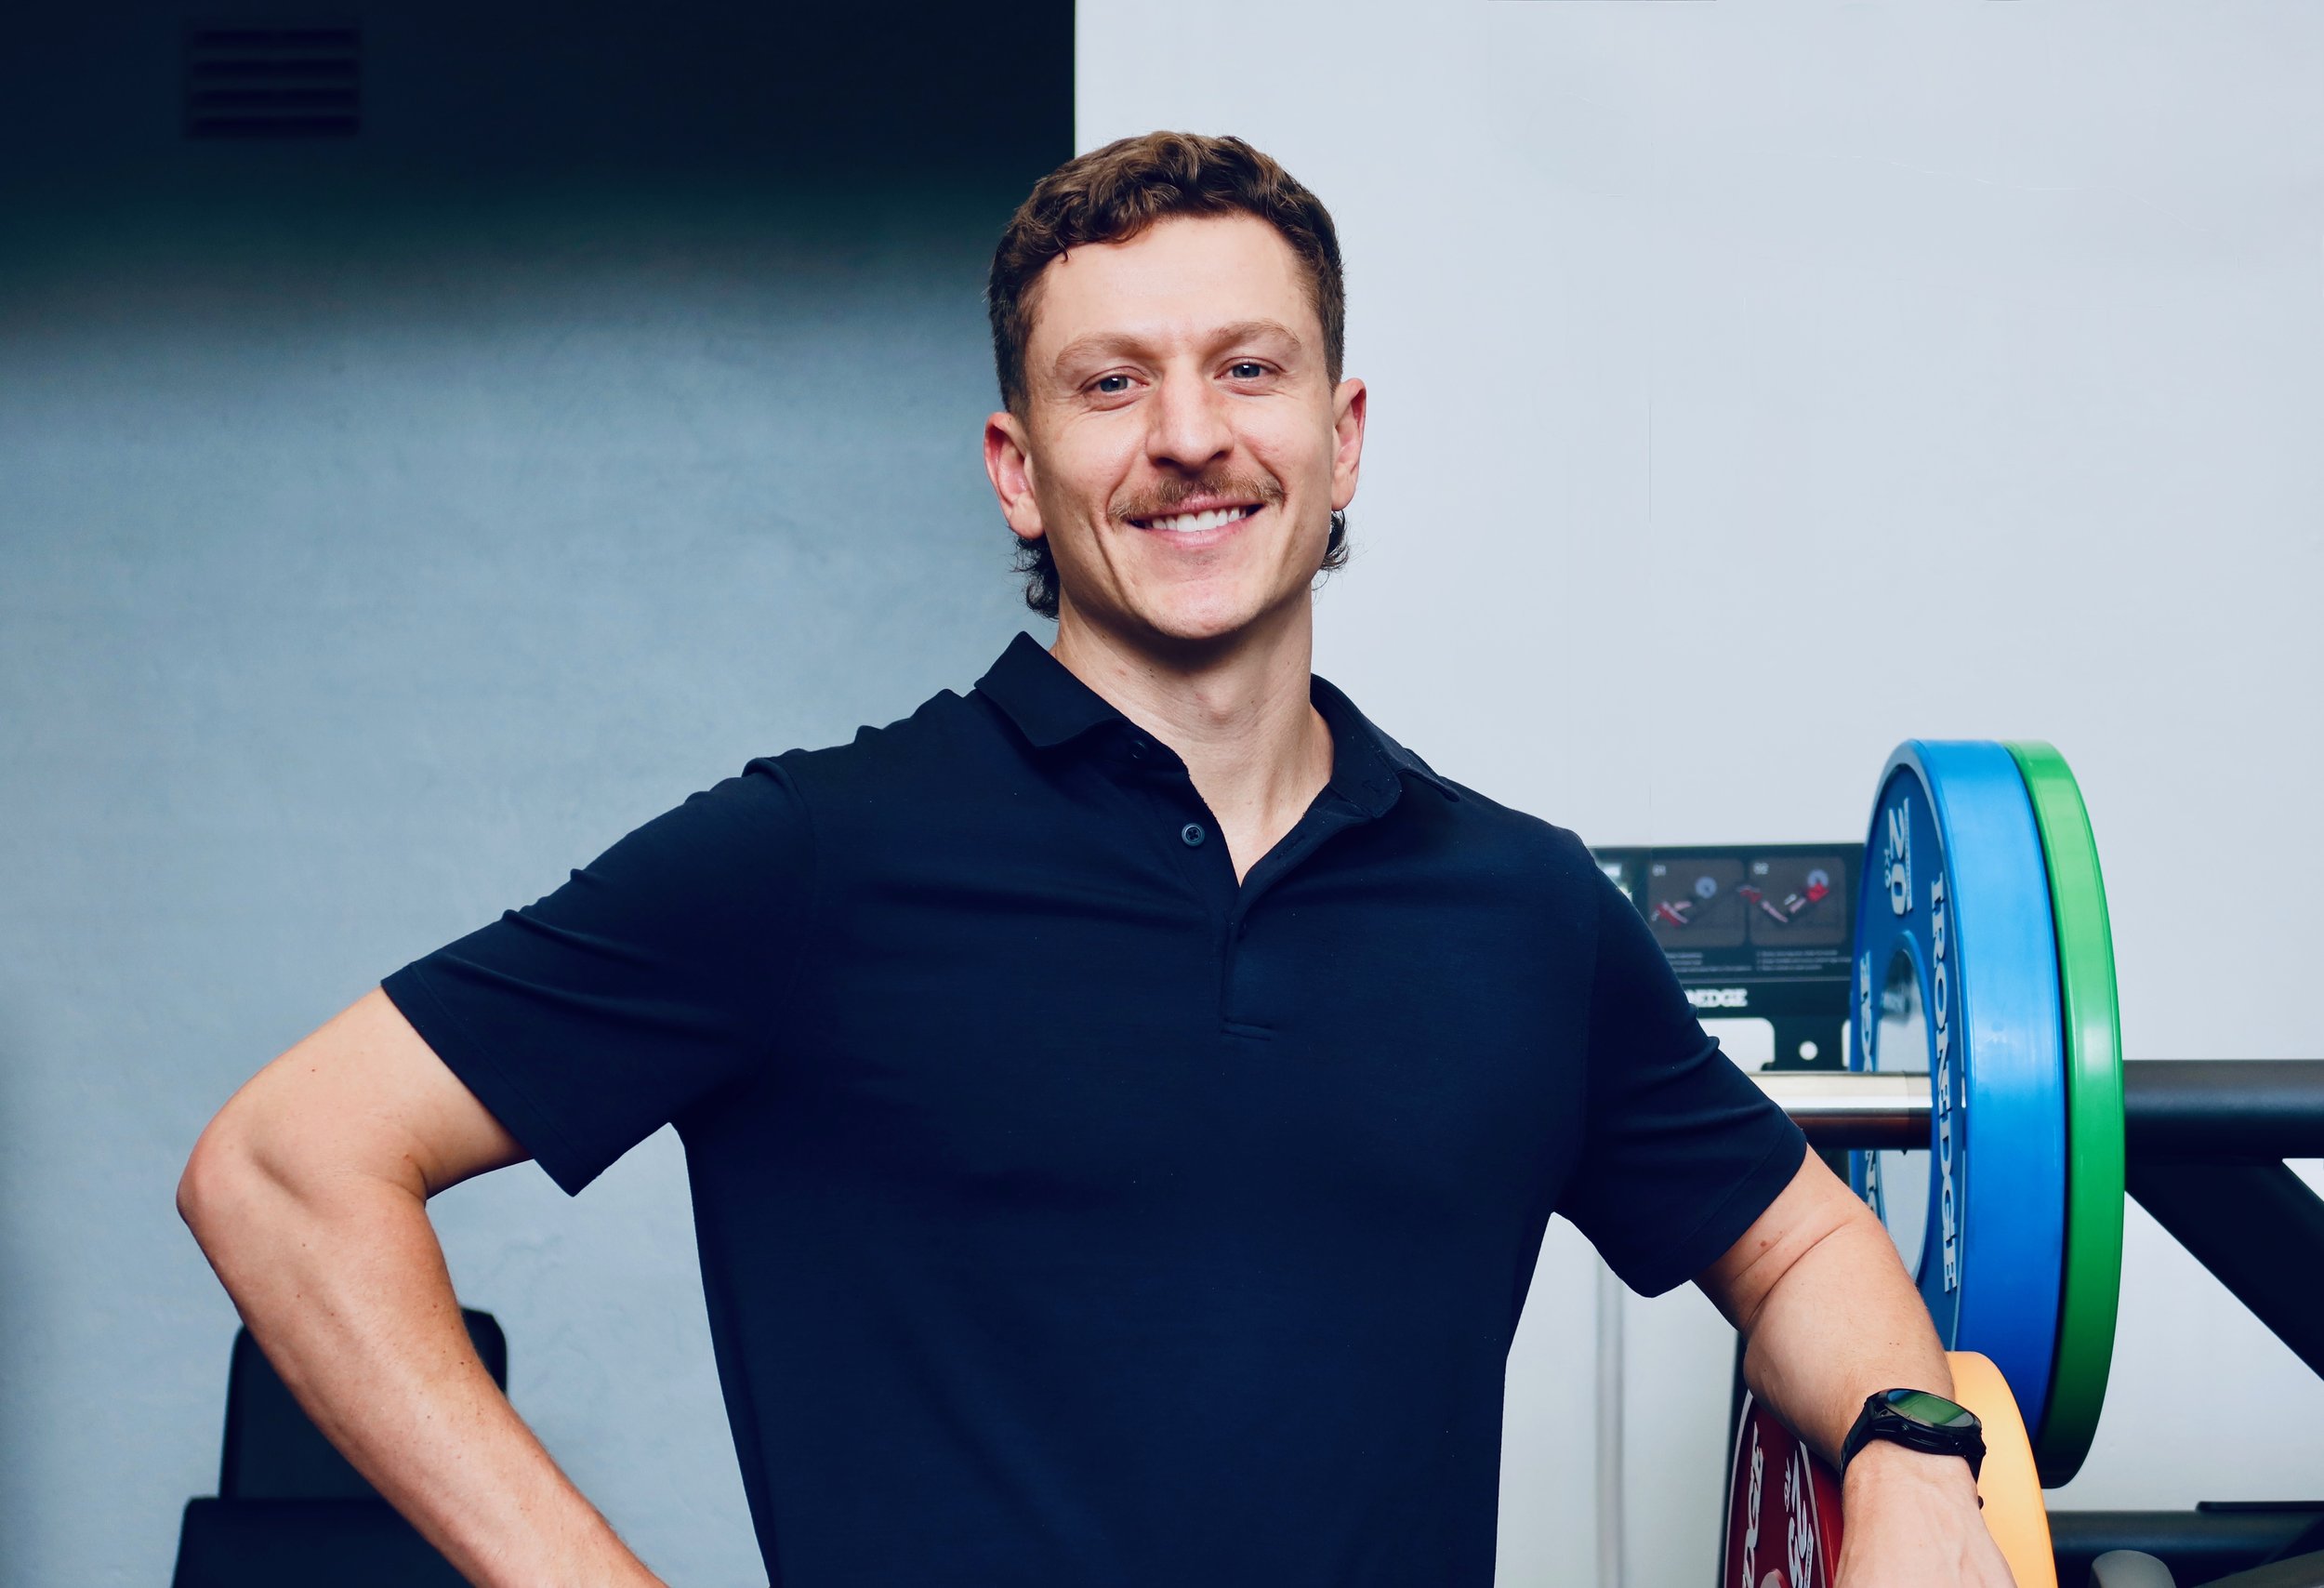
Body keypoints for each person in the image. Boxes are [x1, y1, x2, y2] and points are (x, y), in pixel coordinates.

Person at [178, 131, 2012, 1588]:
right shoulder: (813, 861)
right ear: (1013, 464)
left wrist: (1914, 1459)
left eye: (1246, 368)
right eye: (1109, 384)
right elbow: (281, 1161)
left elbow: (1795, 1248)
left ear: (1340, 436)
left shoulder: (1518, 911)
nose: (1189, 434)